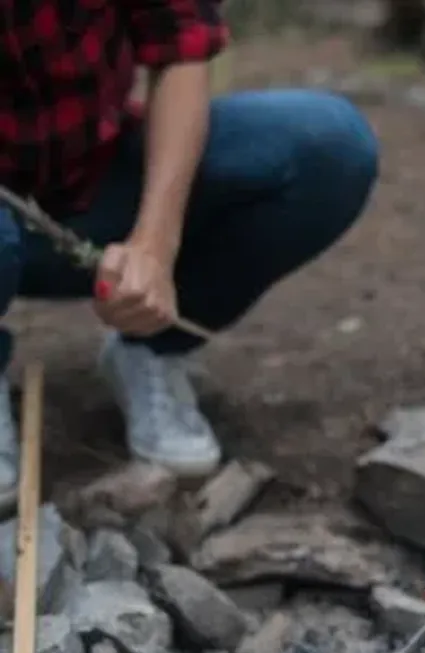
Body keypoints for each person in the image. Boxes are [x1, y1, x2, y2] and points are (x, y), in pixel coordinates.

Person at [0, 1, 380, 510]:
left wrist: (154, 245)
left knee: (329, 148)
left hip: (97, 178)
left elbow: (180, 46)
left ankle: (151, 348)